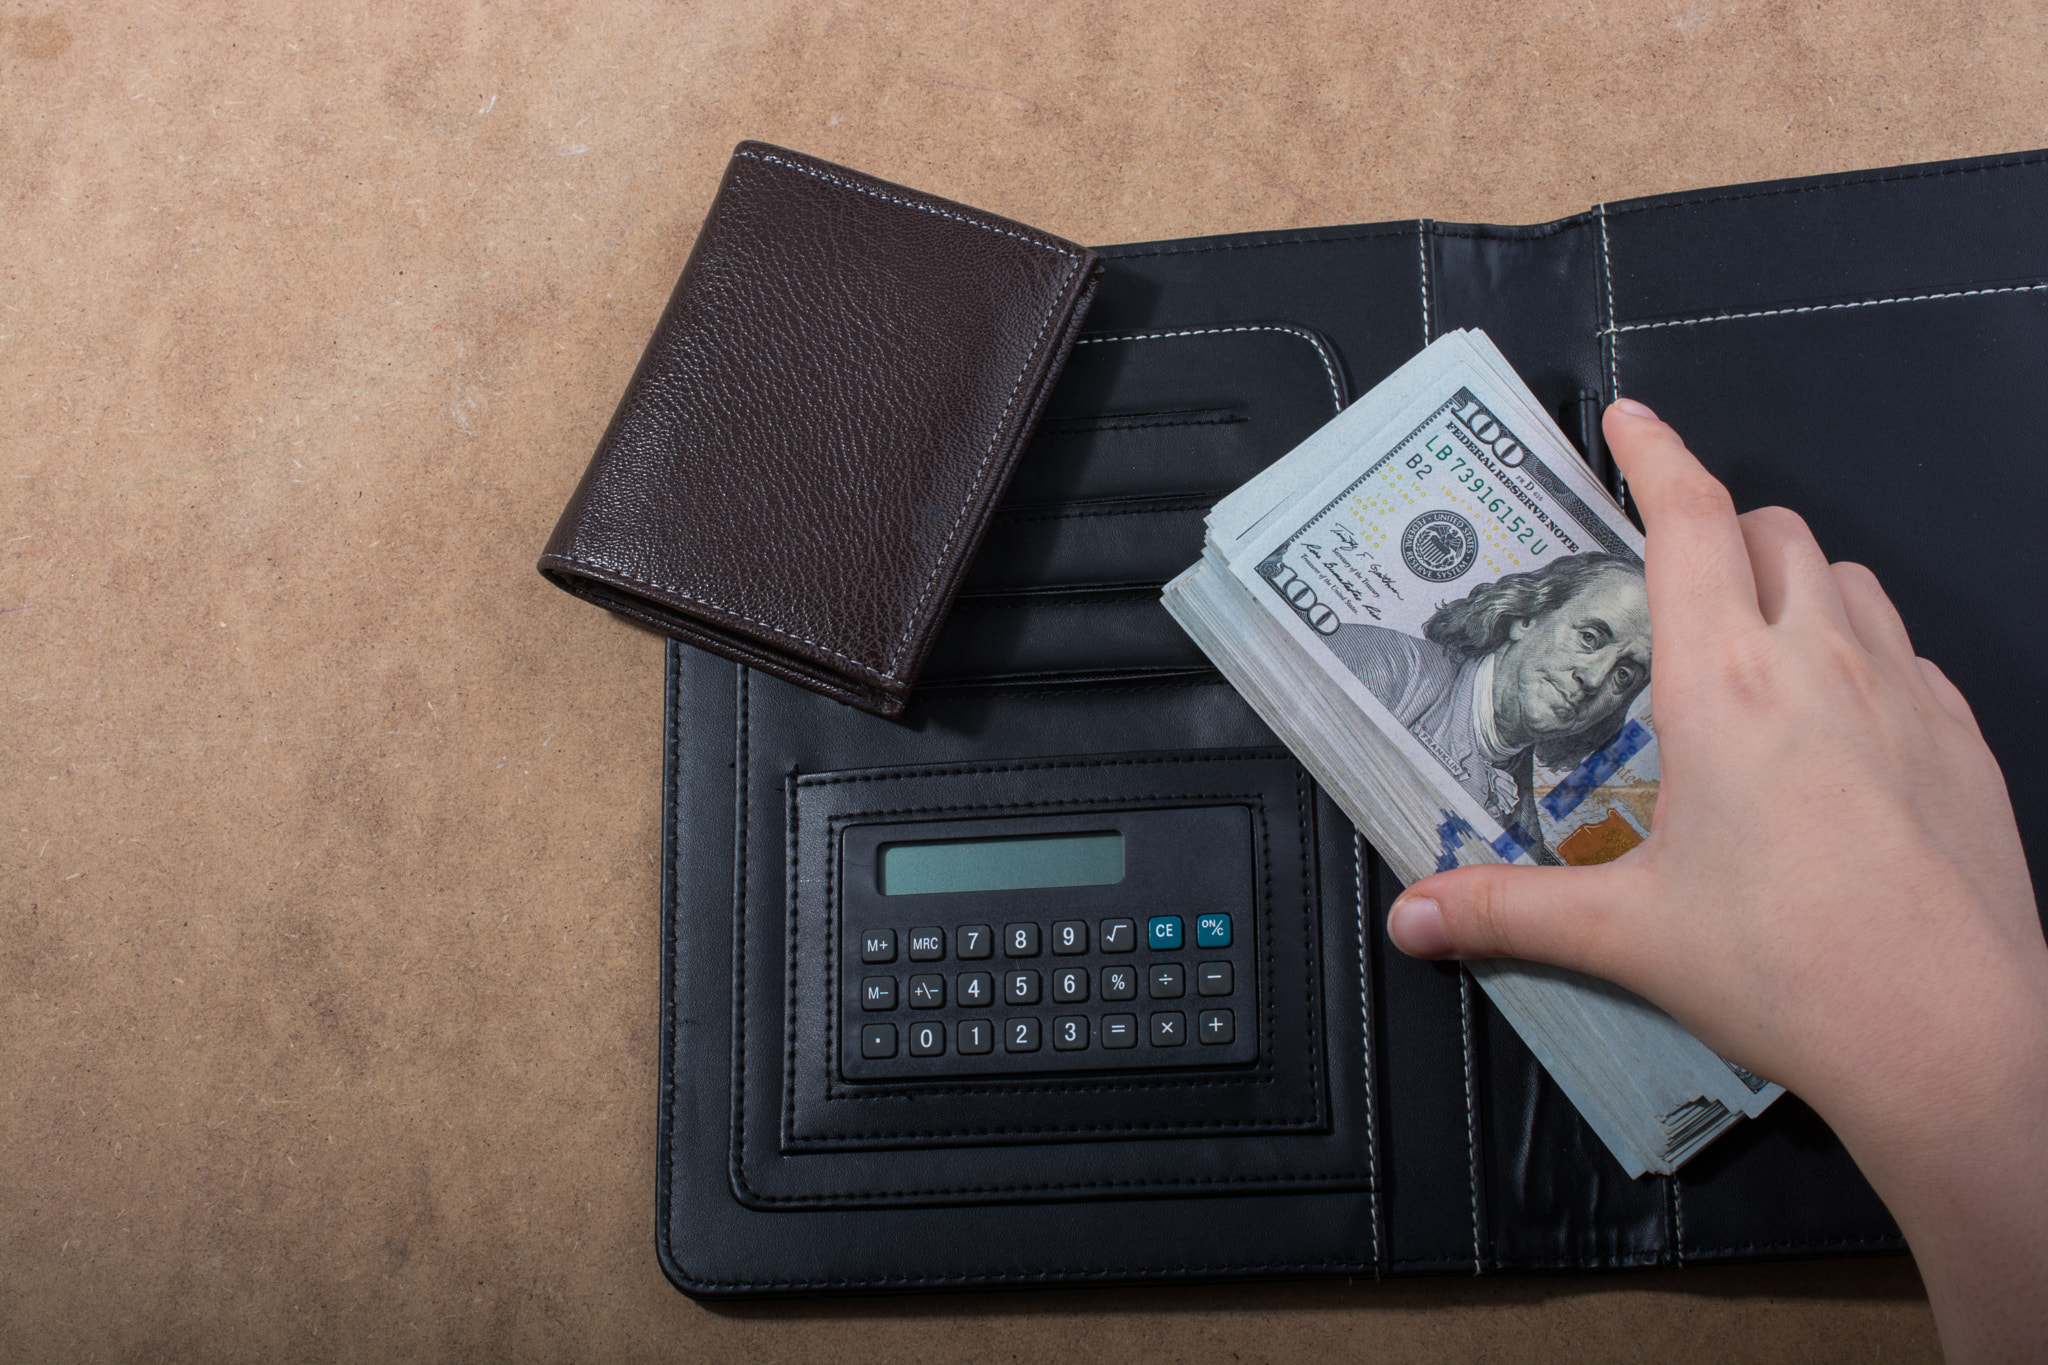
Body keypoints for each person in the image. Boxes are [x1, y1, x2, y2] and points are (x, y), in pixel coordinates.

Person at [1385, 399, 2048, 1364]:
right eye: (1590, 639)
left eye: (1630, 672)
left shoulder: (1528, 798)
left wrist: (1972, 1078)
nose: (1602, 679)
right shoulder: (1402, 670)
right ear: (1531, 612)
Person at [1328, 552, 1650, 859]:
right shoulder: (1382, 665)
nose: (1595, 678)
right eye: (1590, 638)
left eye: (1623, 675)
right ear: (1526, 619)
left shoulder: (1523, 840)